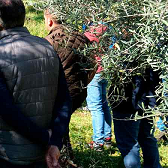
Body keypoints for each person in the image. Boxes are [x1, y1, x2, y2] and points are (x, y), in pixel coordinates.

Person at [0, 0, 71, 168]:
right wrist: (54, 141)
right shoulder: (47, 46)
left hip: (9, 151)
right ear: (23, 18)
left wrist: (46, 138)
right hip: (43, 151)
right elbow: (64, 99)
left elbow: (5, 109)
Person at [44, 9, 94, 162]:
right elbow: (92, 64)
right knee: (63, 126)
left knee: (56, 128)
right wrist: (83, 83)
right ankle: (65, 156)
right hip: (78, 92)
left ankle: (60, 159)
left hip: (57, 94)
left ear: (50, 21)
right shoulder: (81, 38)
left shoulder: (48, 41)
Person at [112, 64, 162, 168]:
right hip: (148, 102)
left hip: (128, 104)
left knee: (129, 144)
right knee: (147, 138)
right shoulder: (151, 53)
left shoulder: (126, 52)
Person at [84, 22, 114, 150]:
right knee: (104, 104)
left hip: (94, 72)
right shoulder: (108, 29)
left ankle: (98, 142)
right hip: (105, 71)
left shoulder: (88, 33)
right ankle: (107, 137)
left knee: (96, 108)